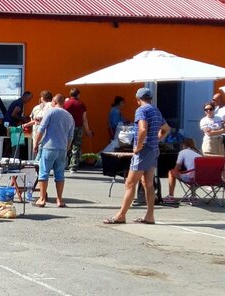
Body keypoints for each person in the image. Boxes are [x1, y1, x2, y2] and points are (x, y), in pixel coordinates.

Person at [102, 87, 170, 225]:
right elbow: (166, 128)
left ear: (138, 99)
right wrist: (157, 139)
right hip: (153, 150)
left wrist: (138, 146)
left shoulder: (141, 110)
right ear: (150, 98)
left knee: (130, 183)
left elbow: (143, 129)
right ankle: (149, 216)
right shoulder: (156, 110)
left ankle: (121, 215)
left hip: (144, 150)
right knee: (148, 183)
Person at [32, 93, 75, 208]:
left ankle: (41, 199)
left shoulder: (51, 111)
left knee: (44, 172)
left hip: (49, 146)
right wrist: (66, 149)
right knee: (60, 174)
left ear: (54, 102)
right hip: (62, 148)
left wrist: (36, 143)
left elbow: (41, 128)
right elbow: (70, 136)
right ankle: (59, 200)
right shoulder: (70, 116)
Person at [164, 138, 202, 203]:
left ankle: (170, 196)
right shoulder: (199, 153)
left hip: (191, 178)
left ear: (183, 144)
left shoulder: (183, 152)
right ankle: (193, 196)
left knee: (171, 172)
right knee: (193, 173)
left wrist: (180, 171)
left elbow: (177, 168)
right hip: (202, 178)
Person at [62, 88, 92, 172]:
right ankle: (73, 166)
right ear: (78, 94)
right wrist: (87, 131)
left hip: (66, 127)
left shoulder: (65, 103)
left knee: (66, 145)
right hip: (78, 127)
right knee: (76, 146)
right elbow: (84, 119)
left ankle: (63, 164)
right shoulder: (81, 104)